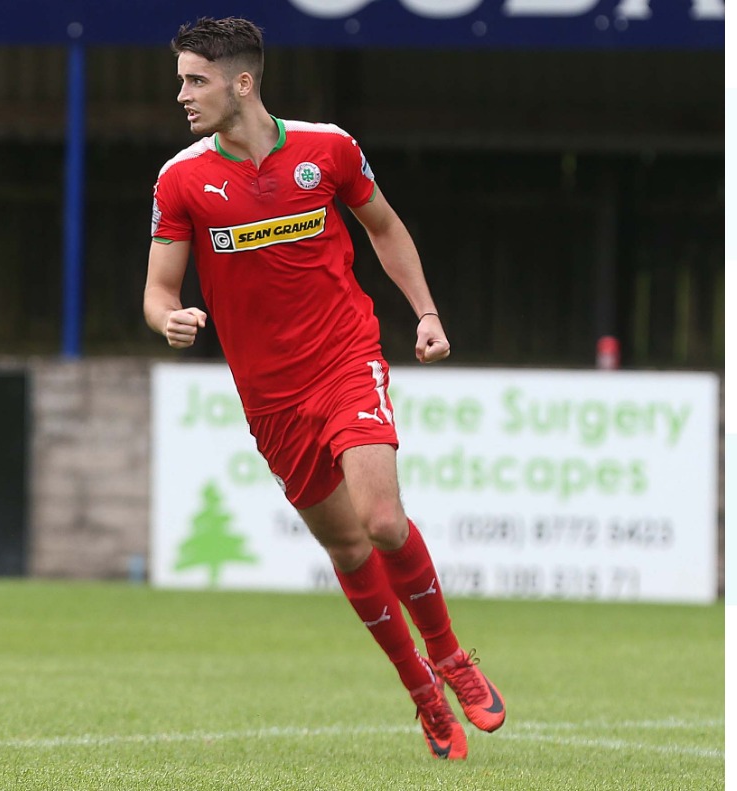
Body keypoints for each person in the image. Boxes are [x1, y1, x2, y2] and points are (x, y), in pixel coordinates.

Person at [143, 16, 505, 761]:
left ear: (243, 83)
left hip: (345, 358)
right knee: (346, 545)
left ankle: (450, 656)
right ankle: (421, 691)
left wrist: (427, 314)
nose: (182, 94)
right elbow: (157, 290)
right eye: (182, 80)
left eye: (196, 80)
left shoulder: (328, 149)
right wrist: (167, 318)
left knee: (381, 520)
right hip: (270, 398)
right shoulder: (181, 180)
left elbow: (385, 227)